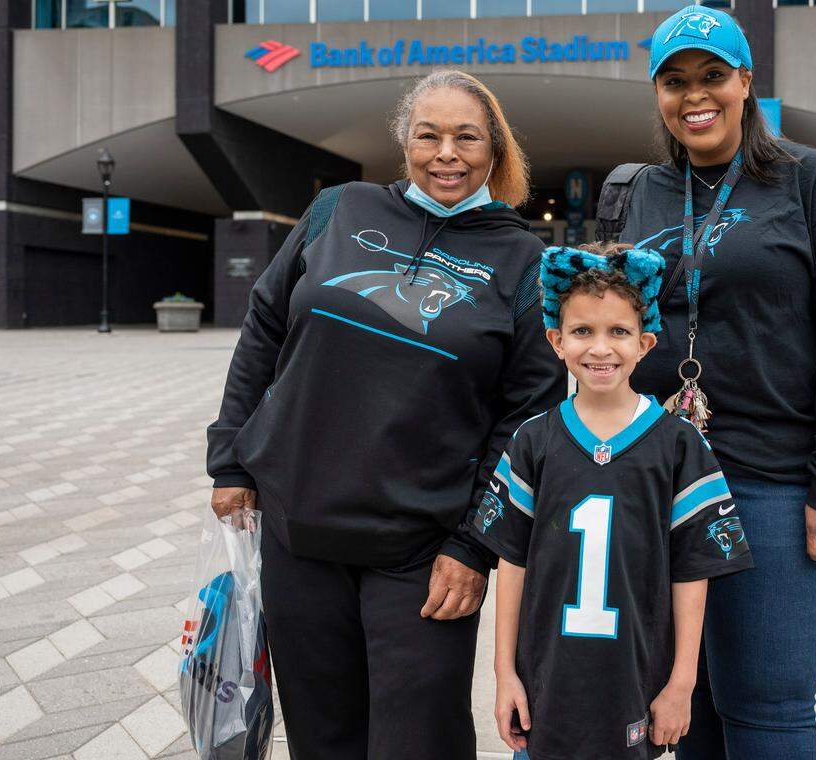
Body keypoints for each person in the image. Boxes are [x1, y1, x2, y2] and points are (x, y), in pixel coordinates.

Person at [205, 70, 566, 759]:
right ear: (404, 142)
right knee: (322, 736)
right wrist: (230, 459)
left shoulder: (524, 260)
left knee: (417, 742)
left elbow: (526, 418)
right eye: (427, 135)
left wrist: (473, 547)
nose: (446, 154)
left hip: (423, 554)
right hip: (297, 530)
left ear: (496, 151)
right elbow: (263, 329)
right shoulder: (338, 209)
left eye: (466, 137)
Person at [602, 5, 816, 758]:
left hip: (771, 482)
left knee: (767, 705)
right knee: (682, 697)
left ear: (745, 81)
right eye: (673, 81)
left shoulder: (811, 182)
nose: (693, 96)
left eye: (711, 76)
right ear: (657, 94)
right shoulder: (647, 193)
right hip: (657, 480)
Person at [474, 242, 753, 760]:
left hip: (634, 681)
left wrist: (681, 683)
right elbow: (511, 563)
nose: (600, 348)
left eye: (618, 332)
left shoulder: (680, 445)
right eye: (583, 331)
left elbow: (693, 571)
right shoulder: (533, 441)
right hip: (546, 684)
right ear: (556, 341)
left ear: (646, 344)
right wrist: (504, 672)